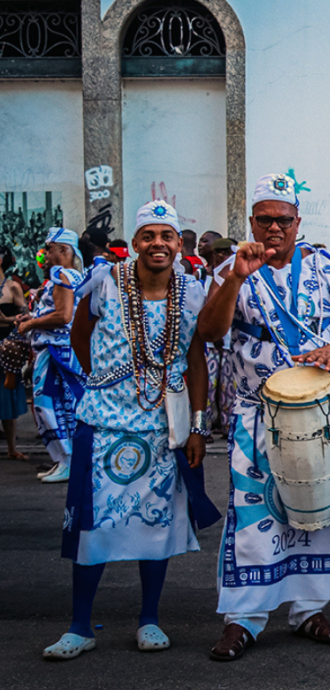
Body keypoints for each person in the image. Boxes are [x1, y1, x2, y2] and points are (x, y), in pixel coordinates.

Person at [196, 173, 330, 661]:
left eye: (284, 219)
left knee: (318, 510)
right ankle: (243, 618)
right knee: (255, 513)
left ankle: (309, 610)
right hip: (257, 412)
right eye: (265, 219)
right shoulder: (231, 269)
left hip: (319, 413)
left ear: (298, 221)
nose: (274, 227)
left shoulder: (325, 267)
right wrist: (236, 277)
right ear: (251, 221)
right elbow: (209, 332)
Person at [43, 201, 219, 660]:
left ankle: (149, 619)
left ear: (178, 244)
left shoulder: (193, 291)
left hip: (163, 429)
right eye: (149, 235)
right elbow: (80, 337)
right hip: (104, 424)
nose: (158, 243)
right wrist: (107, 384)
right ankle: (80, 626)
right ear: (136, 242)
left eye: (167, 236)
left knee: (156, 526)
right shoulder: (104, 281)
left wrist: (198, 426)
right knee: (92, 528)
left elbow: (197, 359)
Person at [19, 227, 85, 484]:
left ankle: (67, 460)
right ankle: (66, 461)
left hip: (57, 352)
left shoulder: (61, 275)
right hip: (64, 350)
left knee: (47, 404)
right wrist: (33, 317)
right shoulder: (75, 275)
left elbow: (63, 315)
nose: (44, 254)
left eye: (48, 249)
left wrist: (30, 324)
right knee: (64, 405)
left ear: (63, 250)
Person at [0, 248, 30, 460]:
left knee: (7, 394)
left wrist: (8, 320)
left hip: (6, 349)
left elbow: (25, 317)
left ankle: (12, 448)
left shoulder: (12, 287)